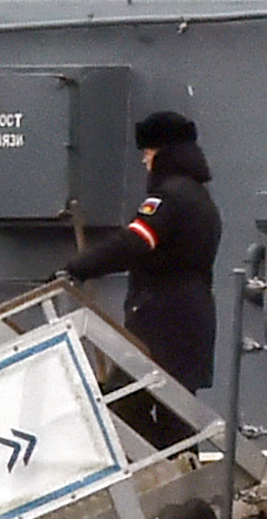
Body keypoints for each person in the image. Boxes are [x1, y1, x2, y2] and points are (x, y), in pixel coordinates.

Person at [66, 110, 221, 388]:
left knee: (124, 403)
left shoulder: (169, 198)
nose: (144, 160)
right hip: (192, 323)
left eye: (148, 152)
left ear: (163, 154)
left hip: (162, 324)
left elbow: (134, 242)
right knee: (171, 422)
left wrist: (77, 268)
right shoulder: (201, 200)